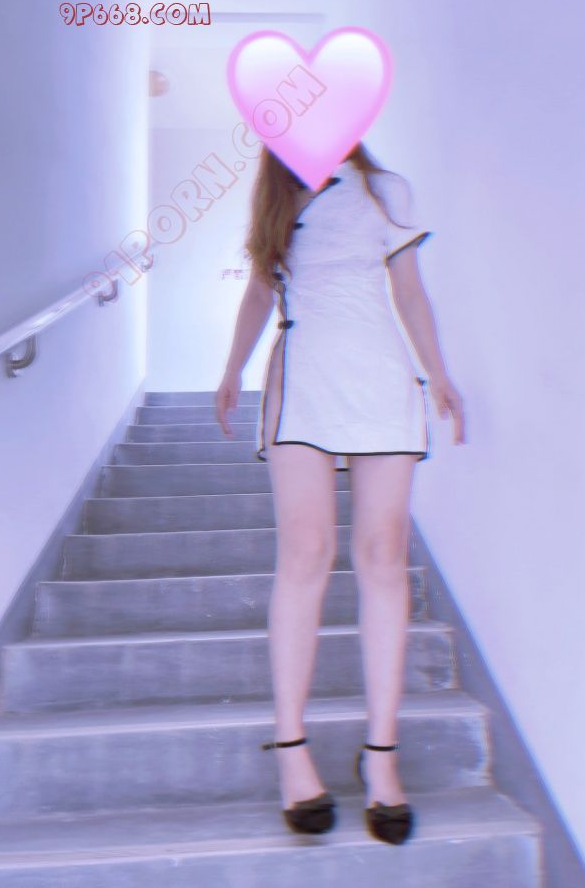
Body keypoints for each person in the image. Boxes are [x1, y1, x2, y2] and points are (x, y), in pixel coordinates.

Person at [216, 141, 465, 845]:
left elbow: (408, 289)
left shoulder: (385, 188)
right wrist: (232, 370)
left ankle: (381, 753)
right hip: (302, 382)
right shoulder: (275, 197)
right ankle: (291, 748)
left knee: (384, 556)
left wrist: (439, 373)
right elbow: (260, 291)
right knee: (306, 554)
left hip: (381, 378)